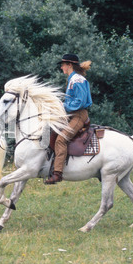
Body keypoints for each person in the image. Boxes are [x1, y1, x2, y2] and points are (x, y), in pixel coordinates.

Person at [44, 53, 93, 184]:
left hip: (78, 115)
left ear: (69, 65)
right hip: (71, 114)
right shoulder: (73, 78)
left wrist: (63, 106)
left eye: (63, 65)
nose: (61, 68)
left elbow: (80, 102)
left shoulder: (77, 80)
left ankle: (57, 173)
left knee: (61, 140)